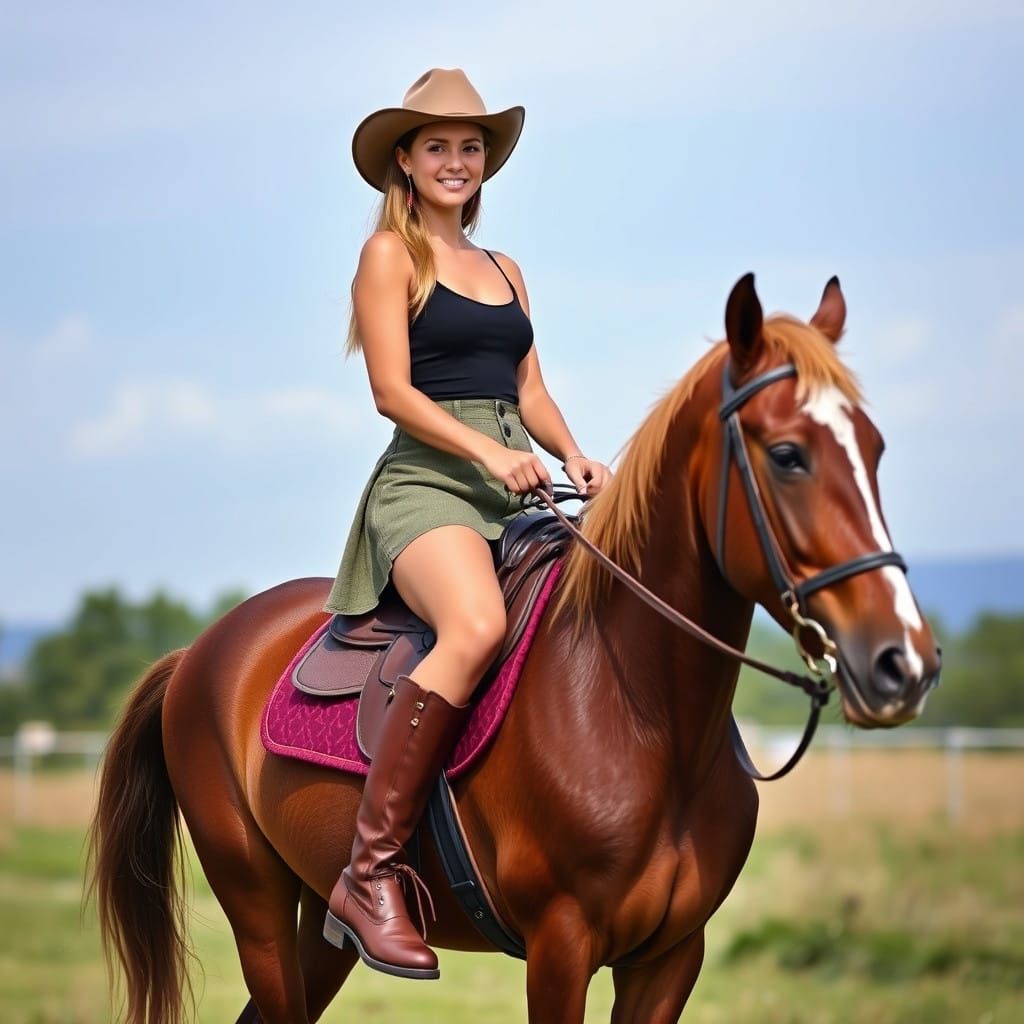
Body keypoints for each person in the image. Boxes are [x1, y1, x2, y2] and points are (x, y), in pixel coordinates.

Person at [321, 67, 612, 980]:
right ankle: (368, 875)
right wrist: (488, 457)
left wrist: (574, 455)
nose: (457, 161)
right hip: (429, 487)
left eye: (471, 147)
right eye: (438, 145)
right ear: (403, 161)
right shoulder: (388, 260)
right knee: (478, 623)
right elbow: (391, 391)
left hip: (516, 484)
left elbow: (528, 389)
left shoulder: (505, 269)